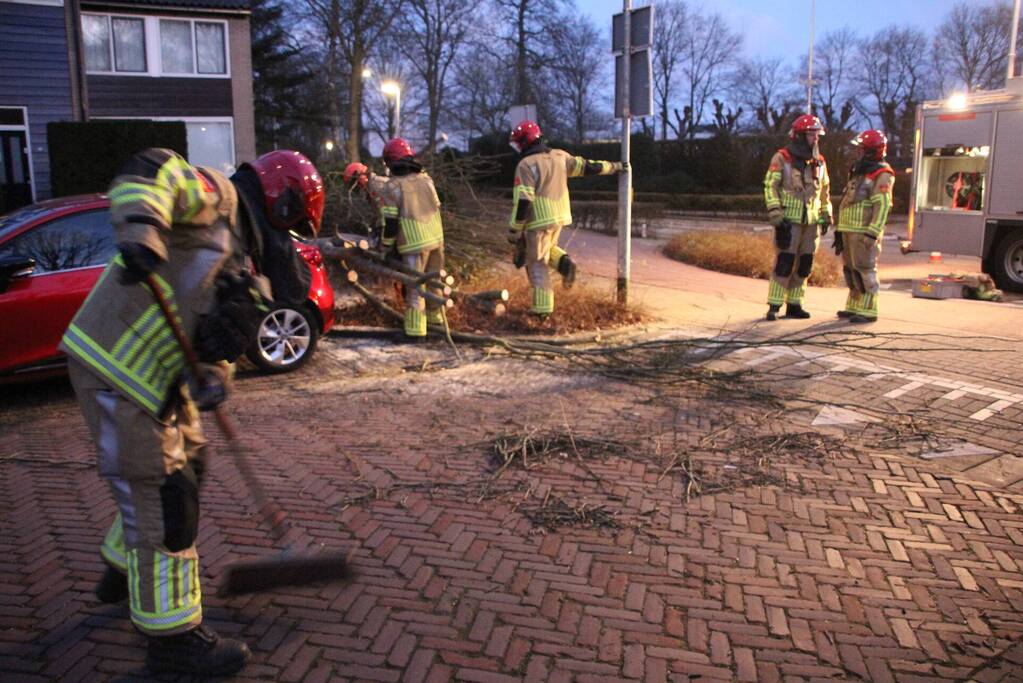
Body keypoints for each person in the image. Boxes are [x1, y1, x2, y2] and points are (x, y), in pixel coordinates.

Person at [60, 148, 323, 676]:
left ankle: (122, 570)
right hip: (118, 371)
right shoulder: (216, 199)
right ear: (282, 200)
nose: (289, 238)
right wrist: (143, 234)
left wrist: (217, 374)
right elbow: (152, 168)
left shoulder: (241, 260)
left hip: (161, 382)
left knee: (192, 466)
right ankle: (173, 643)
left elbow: (213, 335)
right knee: (166, 499)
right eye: (293, 223)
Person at [508, 120, 624, 316]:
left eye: (518, 143)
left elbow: (524, 200)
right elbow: (588, 166)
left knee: (537, 262)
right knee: (546, 250)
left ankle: (541, 312)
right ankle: (565, 263)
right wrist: (615, 166)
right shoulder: (559, 156)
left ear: (525, 142)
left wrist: (515, 228)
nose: (517, 147)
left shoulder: (525, 165)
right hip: (560, 215)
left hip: (538, 219)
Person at [344, 138, 445, 341]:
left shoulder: (392, 186)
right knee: (434, 283)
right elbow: (436, 206)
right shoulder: (427, 179)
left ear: (390, 162)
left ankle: (415, 333)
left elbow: (390, 223)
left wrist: (384, 247)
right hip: (436, 238)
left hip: (413, 243)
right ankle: (437, 325)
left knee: (415, 287)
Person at [763, 114, 832, 320]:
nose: (816, 139)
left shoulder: (819, 162)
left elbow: (824, 192)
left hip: (811, 224)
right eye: (812, 134)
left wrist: (825, 215)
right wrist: (775, 213)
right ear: (801, 135)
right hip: (788, 222)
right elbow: (770, 186)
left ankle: (794, 304)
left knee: (804, 265)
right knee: (784, 263)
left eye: (817, 135)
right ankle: (774, 305)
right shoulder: (782, 157)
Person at [834, 129, 894, 323]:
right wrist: (839, 229)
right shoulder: (859, 171)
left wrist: (873, 232)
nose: (857, 152)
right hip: (849, 230)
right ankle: (854, 305)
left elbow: (882, 205)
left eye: (861, 149)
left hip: (864, 232)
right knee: (851, 269)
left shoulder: (882, 174)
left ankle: (869, 309)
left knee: (865, 269)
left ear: (870, 151)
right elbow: (847, 201)